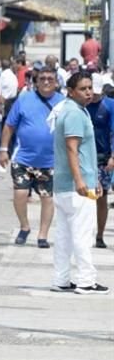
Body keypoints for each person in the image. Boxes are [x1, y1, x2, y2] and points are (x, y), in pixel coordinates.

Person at [50, 72, 109, 295]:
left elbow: (84, 153)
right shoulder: (74, 113)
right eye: (83, 89)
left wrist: (94, 179)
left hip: (67, 185)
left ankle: (61, 278)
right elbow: (72, 148)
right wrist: (80, 180)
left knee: (64, 235)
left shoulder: (71, 110)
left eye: (90, 88)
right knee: (82, 234)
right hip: (76, 187)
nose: (88, 92)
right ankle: (86, 280)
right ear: (71, 91)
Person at [0, 67, 63, 249]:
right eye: (42, 78)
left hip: (50, 160)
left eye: (50, 79)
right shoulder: (24, 99)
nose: (46, 82)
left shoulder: (63, 102)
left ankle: (43, 235)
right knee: (20, 194)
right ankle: (24, 226)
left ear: (56, 82)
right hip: (23, 158)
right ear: (36, 82)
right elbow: (9, 126)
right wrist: (3, 149)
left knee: (47, 198)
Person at [86, 74, 114, 248]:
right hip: (83, 156)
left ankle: (100, 235)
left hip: (103, 157)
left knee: (101, 196)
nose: (93, 96)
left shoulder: (109, 105)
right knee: (82, 196)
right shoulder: (81, 105)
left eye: (96, 92)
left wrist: (113, 157)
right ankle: (83, 233)